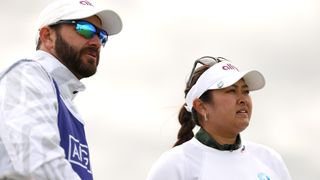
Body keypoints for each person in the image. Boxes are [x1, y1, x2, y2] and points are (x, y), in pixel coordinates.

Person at [0, 0, 122, 179]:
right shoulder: (27, 74)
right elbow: (34, 166)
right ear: (47, 36)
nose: (96, 42)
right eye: (85, 29)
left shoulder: (66, 103)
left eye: (102, 36)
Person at [146, 56, 292, 180]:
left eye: (246, 91)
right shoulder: (174, 165)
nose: (243, 99)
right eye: (231, 91)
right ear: (201, 106)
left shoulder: (270, 160)